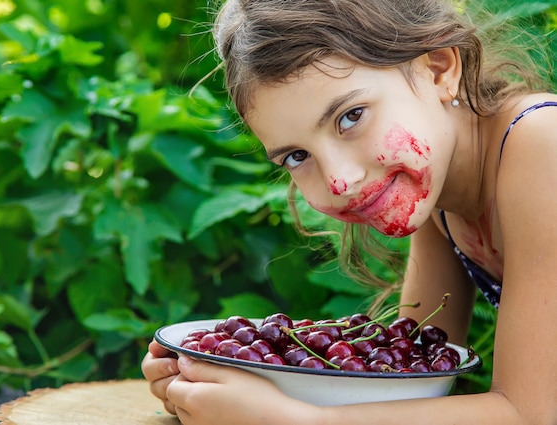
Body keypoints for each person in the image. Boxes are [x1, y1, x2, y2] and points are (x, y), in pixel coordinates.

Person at [141, 0, 557, 423]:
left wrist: (295, 420)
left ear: (437, 68)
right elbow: (410, 371)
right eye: (297, 156)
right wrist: (212, 380)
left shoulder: (543, 143)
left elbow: (531, 413)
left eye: (351, 116)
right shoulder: (435, 190)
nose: (341, 180)